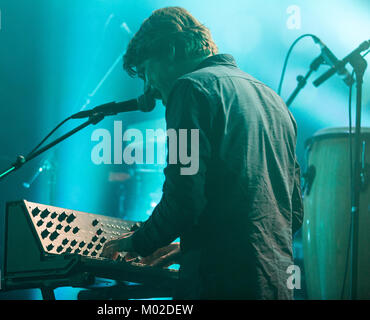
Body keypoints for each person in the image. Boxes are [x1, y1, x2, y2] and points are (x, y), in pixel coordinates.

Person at [101, 6, 303, 299]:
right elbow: (293, 210)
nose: (149, 89)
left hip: (218, 283)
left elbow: (184, 199)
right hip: (276, 282)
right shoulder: (274, 100)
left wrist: (136, 243)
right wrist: (190, 245)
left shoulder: (189, 89)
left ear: (169, 50)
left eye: (146, 72)